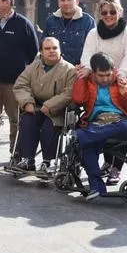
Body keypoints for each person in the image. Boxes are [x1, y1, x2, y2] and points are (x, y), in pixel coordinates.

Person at [78, 0, 127, 184]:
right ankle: (106, 162)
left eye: (113, 12)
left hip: (123, 79)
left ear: (119, 12)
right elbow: (87, 55)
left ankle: (116, 166)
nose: (108, 15)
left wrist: (121, 74)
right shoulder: (93, 33)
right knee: (102, 117)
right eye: (104, 12)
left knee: (120, 116)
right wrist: (87, 70)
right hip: (98, 81)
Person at [71, 52, 127, 200]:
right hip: (97, 122)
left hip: (120, 121)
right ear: (93, 72)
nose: (105, 78)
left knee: (122, 128)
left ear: (113, 69)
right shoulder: (88, 80)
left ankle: (83, 136)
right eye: (101, 75)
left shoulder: (123, 80)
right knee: (88, 146)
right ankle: (96, 186)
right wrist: (81, 79)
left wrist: (124, 93)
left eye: (108, 74)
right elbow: (78, 99)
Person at [0, 0, 39, 162]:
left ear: (8, 2)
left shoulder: (23, 24)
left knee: (16, 120)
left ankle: (16, 153)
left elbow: (33, 52)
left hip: (15, 83)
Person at [10, 37, 76, 176]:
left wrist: (49, 106)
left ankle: (47, 162)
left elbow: (68, 93)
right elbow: (20, 85)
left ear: (60, 50)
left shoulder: (69, 70)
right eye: (47, 48)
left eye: (54, 48)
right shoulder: (33, 67)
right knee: (27, 121)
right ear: (41, 51)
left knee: (49, 126)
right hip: (34, 106)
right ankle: (28, 160)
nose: (51, 51)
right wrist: (27, 102)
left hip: (56, 110)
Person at [43, 0, 96, 66]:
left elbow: (92, 49)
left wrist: (86, 67)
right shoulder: (50, 21)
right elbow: (43, 46)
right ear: (58, 2)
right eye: (62, 0)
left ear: (77, 1)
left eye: (69, 0)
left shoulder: (88, 22)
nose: (66, 3)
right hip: (54, 70)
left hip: (78, 72)